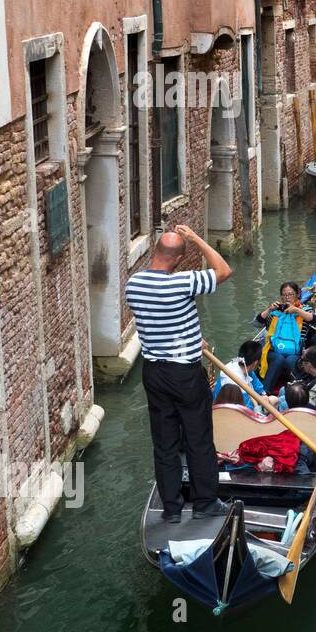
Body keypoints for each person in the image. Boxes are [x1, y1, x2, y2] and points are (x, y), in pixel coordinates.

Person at [124, 223, 232, 525]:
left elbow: (158, 321)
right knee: (198, 439)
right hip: (184, 374)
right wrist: (197, 238)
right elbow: (223, 270)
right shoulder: (183, 282)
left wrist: (190, 337)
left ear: (156, 252)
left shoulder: (133, 285)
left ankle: (171, 509)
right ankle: (205, 504)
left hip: (154, 374)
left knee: (165, 443)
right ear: (178, 259)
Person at [256, 282, 316, 392]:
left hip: (295, 352)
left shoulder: (305, 310)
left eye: (290, 294)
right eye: (284, 295)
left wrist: (297, 310)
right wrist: (269, 309)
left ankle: (299, 393)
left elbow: (314, 320)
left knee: (290, 360)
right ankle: (265, 393)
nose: (287, 298)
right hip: (274, 351)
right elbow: (257, 323)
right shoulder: (276, 311)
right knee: (278, 358)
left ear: (298, 294)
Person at [212, 339, 265, 408]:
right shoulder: (238, 387)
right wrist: (259, 403)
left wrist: (263, 394)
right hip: (232, 412)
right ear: (255, 363)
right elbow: (248, 409)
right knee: (274, 400)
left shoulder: (238, 363)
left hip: (224, 404)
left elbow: (257, 384)